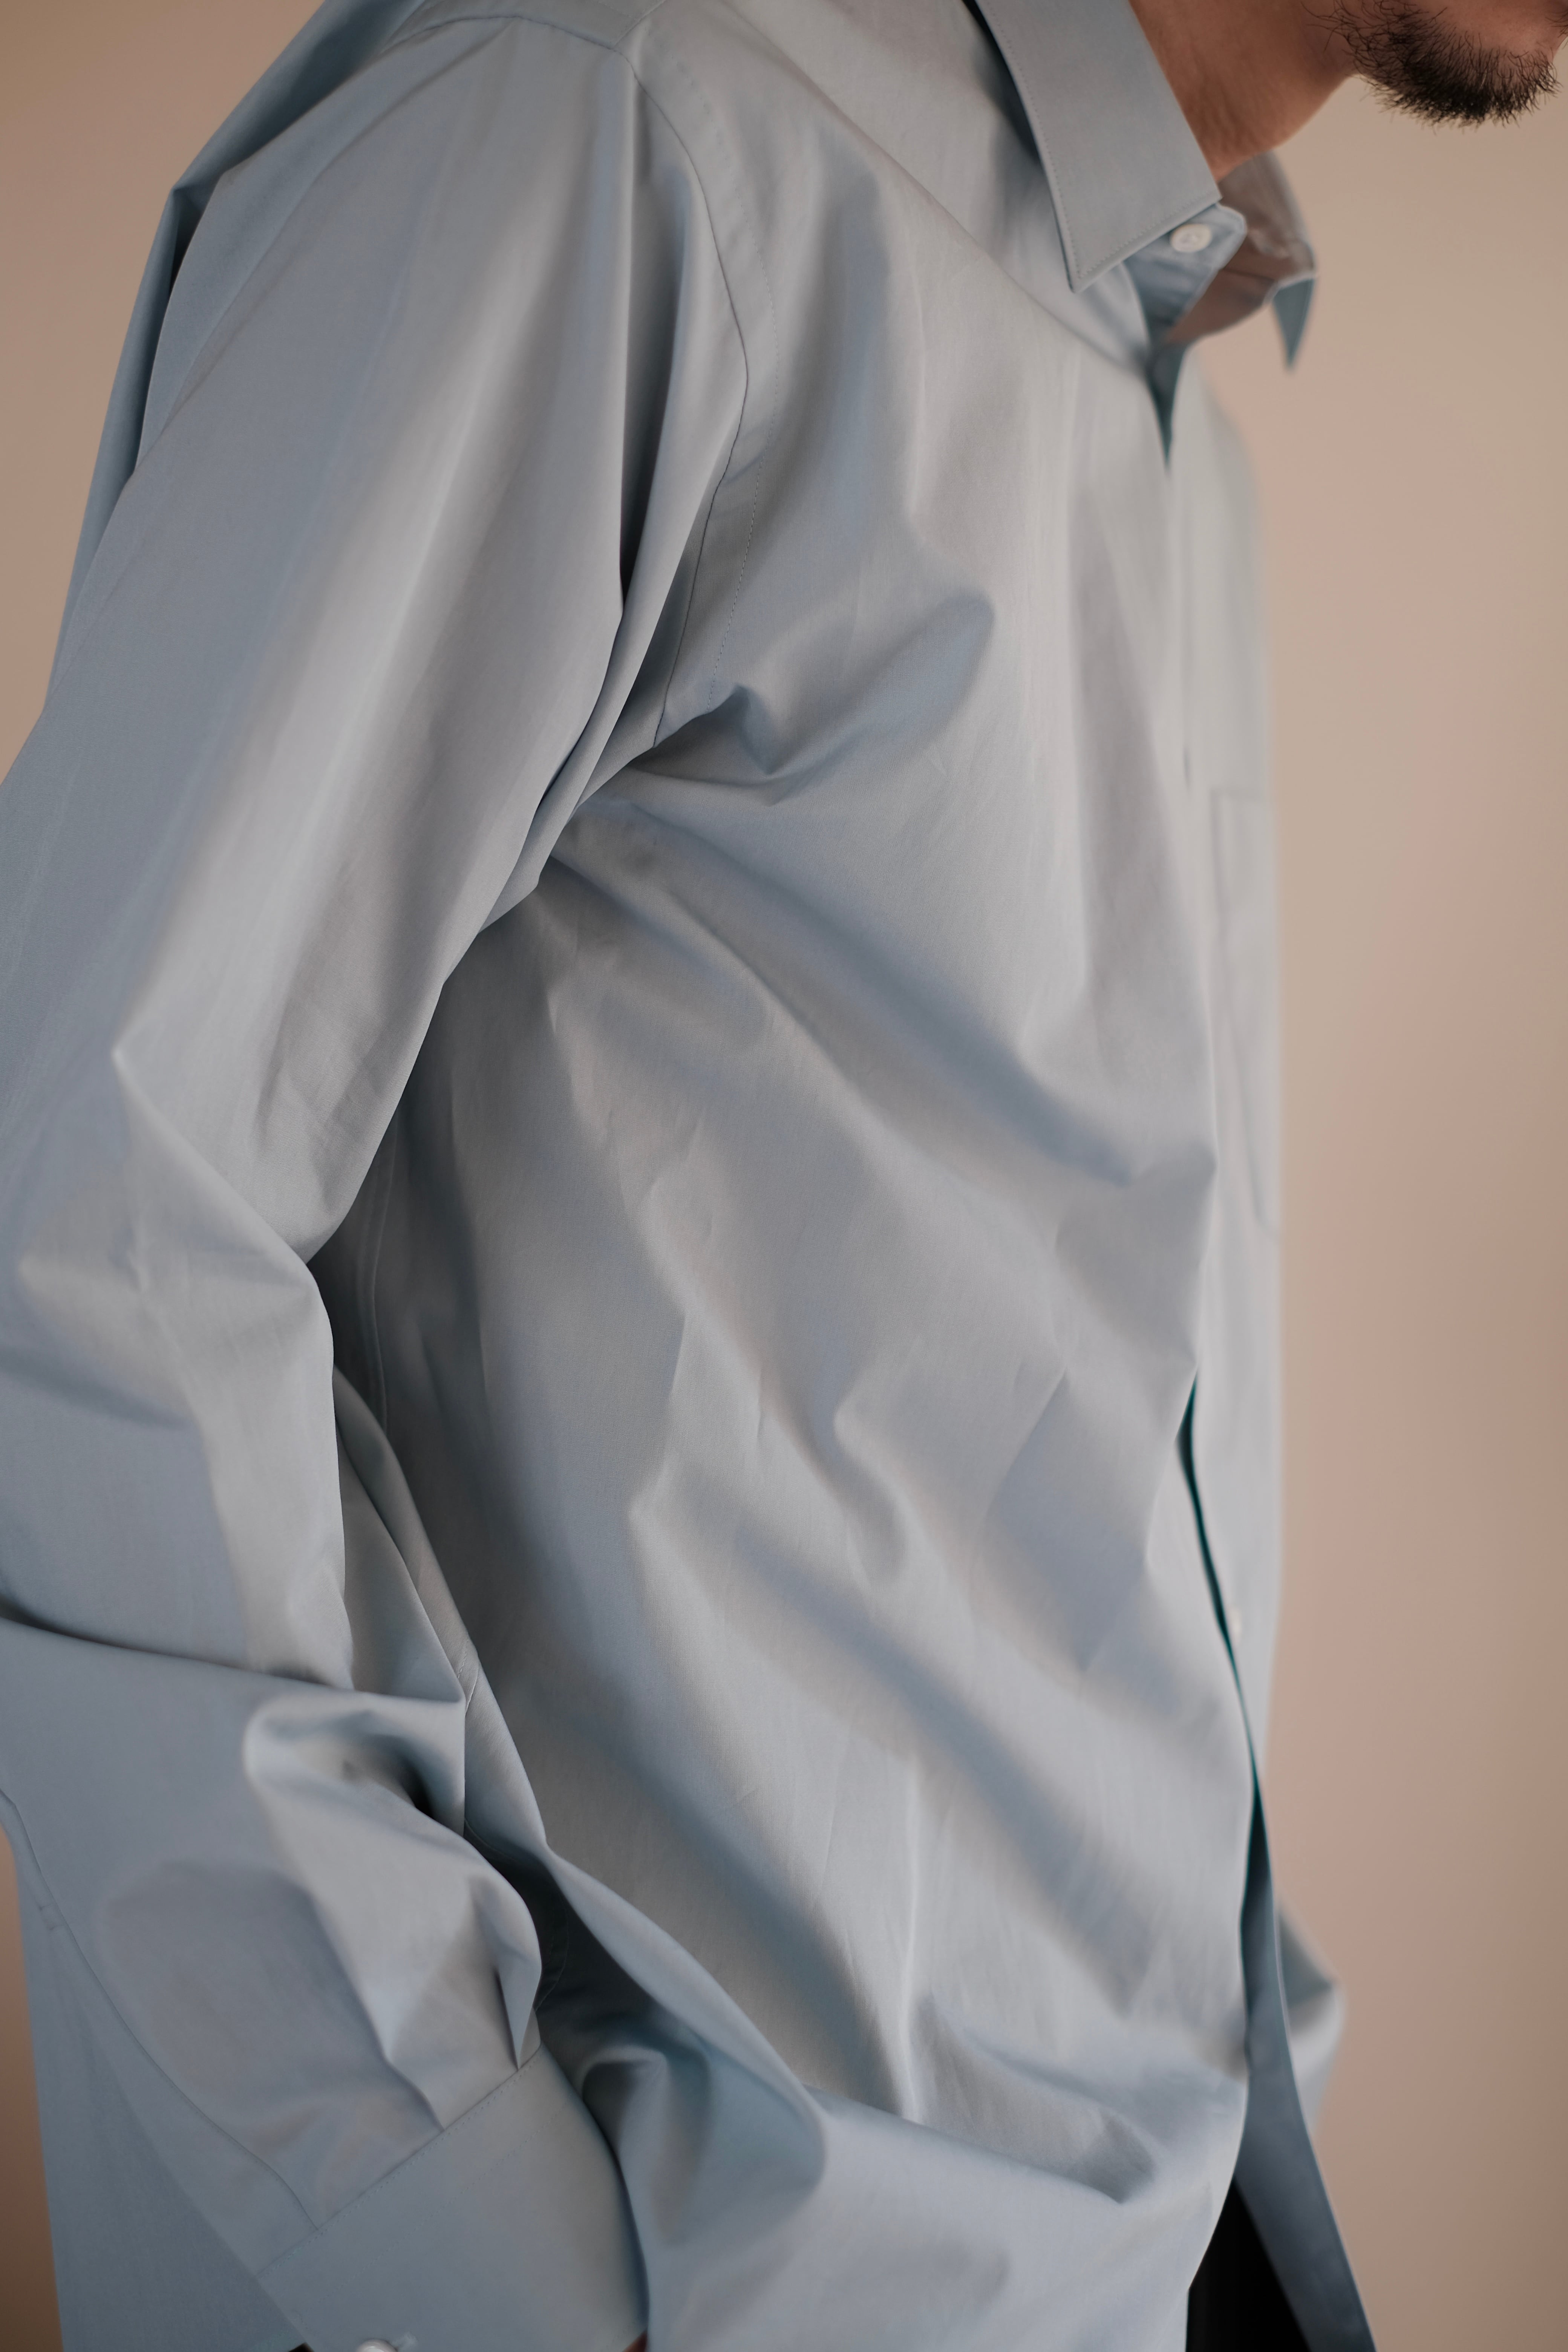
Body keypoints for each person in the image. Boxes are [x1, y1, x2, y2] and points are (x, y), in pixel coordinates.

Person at [0, 2, 1556, 2349]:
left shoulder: (1174, 410)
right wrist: (494, 2264)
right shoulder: (624, 128)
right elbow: (71, 1235)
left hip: (1167, 2231)